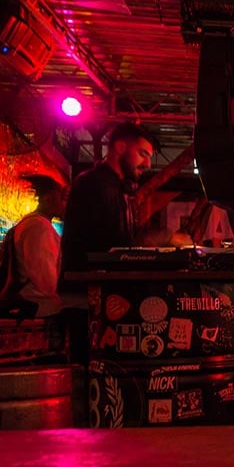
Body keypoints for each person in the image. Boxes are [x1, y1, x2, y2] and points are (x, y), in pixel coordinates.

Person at [59, 122, 157, 363]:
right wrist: (154, 241)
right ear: (120, 147)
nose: (148, 164)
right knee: (90, 370)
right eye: (142, 154)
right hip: (86, 299)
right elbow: (107, 247)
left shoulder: (117, 188)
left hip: (102, 297)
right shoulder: (93, 184)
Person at [0, 174, 68, 317]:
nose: (65, 205)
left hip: (34, 305)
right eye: (62, 199)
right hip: (40, 308)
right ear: (49, 198)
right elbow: (46, 279)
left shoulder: (31, 223)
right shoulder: (39, 226)